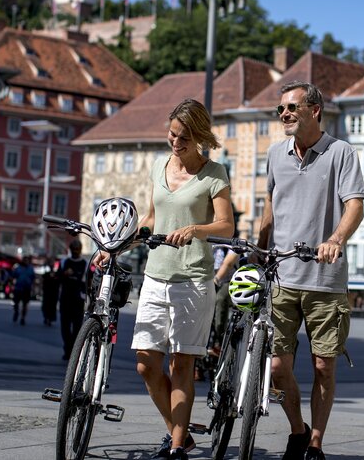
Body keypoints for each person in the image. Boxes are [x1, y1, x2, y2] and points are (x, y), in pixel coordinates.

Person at [257, 80, 364, 460]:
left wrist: (335, 239)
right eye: (280, 110)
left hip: (325, 277)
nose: (284, 115)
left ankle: (315, 442)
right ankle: (297, 429)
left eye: (291, 108)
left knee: (323, 366)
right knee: (275, 367)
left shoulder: (341, 153)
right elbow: (270, 205)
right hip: (282, 277)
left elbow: (355, 206)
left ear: (314, 110)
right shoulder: (274, 154)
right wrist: (259, 246)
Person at [129, 98, 234, 460]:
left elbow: (226, 225)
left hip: (192, 279)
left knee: (181, 363)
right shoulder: (160, 166)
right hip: (155, 275)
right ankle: (182, 432)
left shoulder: (214, 173)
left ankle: (176, 446)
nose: (176, 143)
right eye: (173, 135)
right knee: (145, 362)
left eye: (185, 138)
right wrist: (117, 244)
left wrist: (196, 229)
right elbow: (151, 217)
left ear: (200, 137)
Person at [58, 240, 88, 361]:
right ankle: (67, 349)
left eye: (78, 249)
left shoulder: (85, 264)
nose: (76, 251)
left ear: (80, 250)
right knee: (65, 327)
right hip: (65, 298)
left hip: (78, 300)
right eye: (74, 249)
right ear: (70, 249)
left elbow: (88, 282)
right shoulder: (64, 262)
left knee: (76, 328)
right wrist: (65, 274)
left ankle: (73, 352)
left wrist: (89, 299)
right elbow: (58, 277)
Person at [11, 256, 35, 325]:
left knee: (25, 304)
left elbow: (33, 278)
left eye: (27, 260)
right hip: (18, 288)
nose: (26, 261)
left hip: (27, 288)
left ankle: (23, 318)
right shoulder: (18, 268)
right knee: (16, 303)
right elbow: (13, 276)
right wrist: (12, 285)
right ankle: (16, 312)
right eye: (24, 260)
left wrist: (32, 287)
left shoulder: (31, 269)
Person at [41, 256, 60, 327]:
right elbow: (43, 280)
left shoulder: (57, 271)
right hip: (47, 292)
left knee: (52, 306)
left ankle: (50, 318)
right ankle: (46, 317)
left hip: (54, 292)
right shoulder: (45, 270)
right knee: (46, 305)